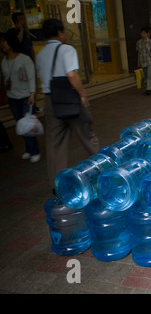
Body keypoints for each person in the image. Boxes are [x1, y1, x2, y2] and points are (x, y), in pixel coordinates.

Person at [35, 18, 99, 191]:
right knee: (88, 137)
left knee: (55, 146)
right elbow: (71, 75)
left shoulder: (39, 55)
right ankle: (103, 172)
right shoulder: (66, 49)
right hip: (70, 98)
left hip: (50, 100)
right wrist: (83, 94)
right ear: (60, 33)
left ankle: (58, 185)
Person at [0, 32, 40, 163]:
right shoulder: (4, 61)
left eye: (4, 42)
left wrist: (32, 93)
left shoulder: (24, 59)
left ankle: (35, 150)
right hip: (12, 97)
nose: (2, 45)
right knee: (20, 125)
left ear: (11, 43)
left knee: (28, 125)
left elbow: (31, 77)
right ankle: (29, 149)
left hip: (26, 97)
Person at [136, 27, 151, 95]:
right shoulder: (139, 42)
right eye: (142, 33)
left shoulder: (150, 42)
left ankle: (148, 89)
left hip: (150, 61)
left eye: (144, 33)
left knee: (149, 74)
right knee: (145, 75)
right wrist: (138, 62)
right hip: (143, 61)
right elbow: (139, 53)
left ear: (147, 34)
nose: (143, 34)